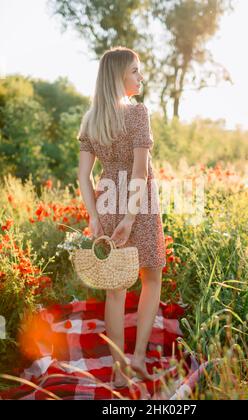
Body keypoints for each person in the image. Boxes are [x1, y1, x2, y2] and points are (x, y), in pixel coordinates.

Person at [77, 46, 166, 388]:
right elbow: (140, 172)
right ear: (118, 76)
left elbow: (83, 177)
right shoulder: (138, 113)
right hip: (137, 202)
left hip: (106, 200)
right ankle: (139, 359)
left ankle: (118, 368)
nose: (140, 76)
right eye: (135, 71)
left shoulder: (91, 119)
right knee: (151, 275)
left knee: (115, 287)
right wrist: (130, 218)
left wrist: (95, 216)